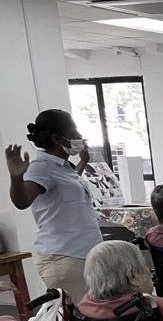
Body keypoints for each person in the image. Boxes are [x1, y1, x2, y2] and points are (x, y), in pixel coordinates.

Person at [5, 109, 103, 303]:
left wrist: (83, 161)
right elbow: (22, 201)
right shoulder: (41, 167)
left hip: (82, 255)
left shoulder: (64, 166)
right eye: (74, 135)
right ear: (58, 139)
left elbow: (70, 183)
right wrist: (16, 179)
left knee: (92, 317)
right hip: (65, 257)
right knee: (85, 319)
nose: (80, 139)